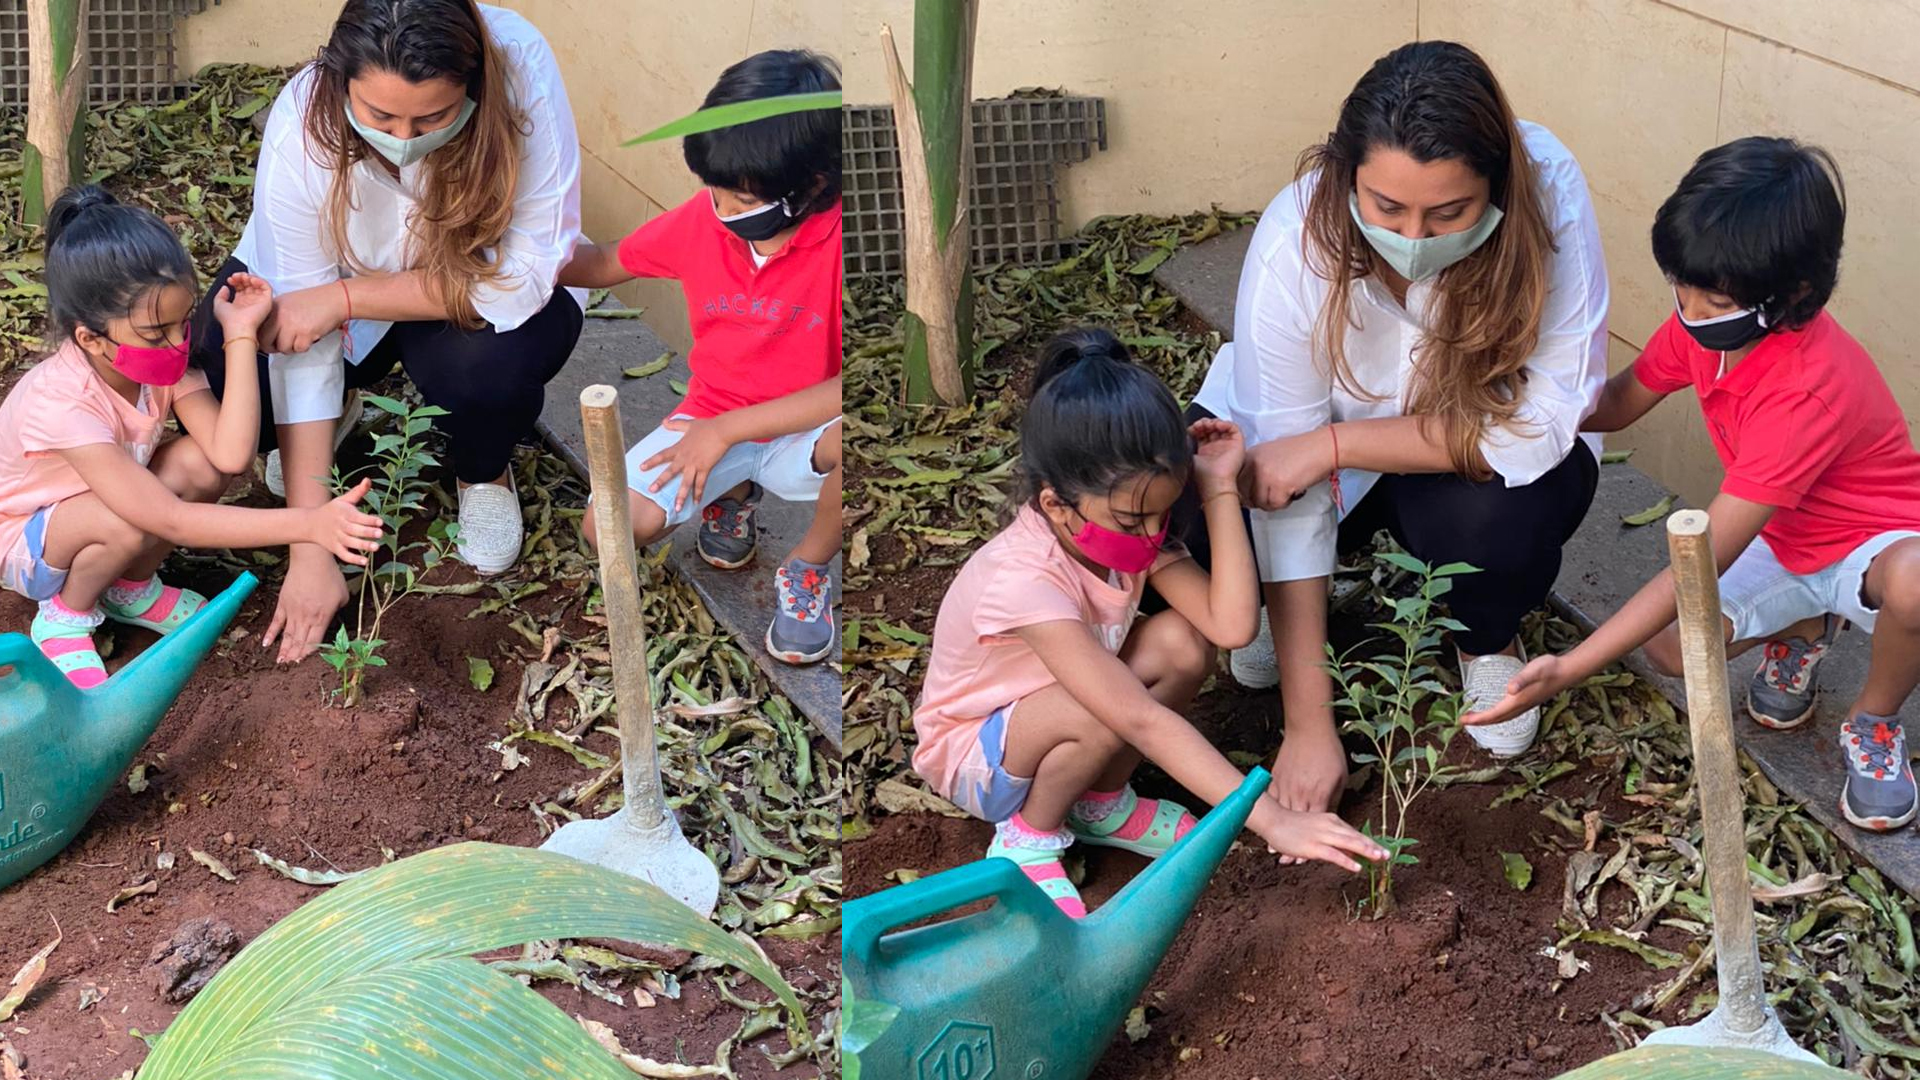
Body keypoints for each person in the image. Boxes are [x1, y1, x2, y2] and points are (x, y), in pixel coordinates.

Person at [1182, 40, 1609, 817]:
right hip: (1312, 459)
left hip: (1450, 465)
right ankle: (1292, 618)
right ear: (1346, 176)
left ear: (1498, 183)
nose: (1414, 236)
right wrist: (1309, 726)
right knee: (1205, 492)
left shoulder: (1551, 196)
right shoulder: (1293, 245)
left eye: (1449, 213)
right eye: (1386, 207)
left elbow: (1542, 425)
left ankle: (1485, 636)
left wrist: (1337, 446)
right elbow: (1285, 475)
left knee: (1512, 506)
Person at [1464, 138, 1920, 831]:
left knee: (1916, 586)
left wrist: (1569, 668)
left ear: (1793, 293)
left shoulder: (1806, 392)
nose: (1688, 309)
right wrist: (1518, 388)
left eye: (1711, 298)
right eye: (1681, 286)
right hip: (1785, 532)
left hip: (1876, 542)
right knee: (1672, 649)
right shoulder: (1705, 332)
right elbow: (1615, 404)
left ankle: (1875, 718)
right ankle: (1804, 625)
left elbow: (1701, 556)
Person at [912, 329, 1386, 918]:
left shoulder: (1125, 532)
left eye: (1165, 512)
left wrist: (1216, 489)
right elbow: (1135, 715)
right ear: (1056, 503)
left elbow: (1231, 627)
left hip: (1059, 712)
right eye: (1135, 519)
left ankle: (1099, 802)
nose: (1153, 535)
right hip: (977, 756)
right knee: (1104, 706)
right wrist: (1270, 818)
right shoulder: (1022, 576)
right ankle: (1026, 841)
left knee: (1183, 644)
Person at [190, 0, 587, 664]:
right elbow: (298, 329)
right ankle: (337, 416)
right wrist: (311, 543)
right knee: (231, 356)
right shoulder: (303, 126)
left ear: (474, 86)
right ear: (339, 80)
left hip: (468, 287)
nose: (404, 136)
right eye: (379, 116)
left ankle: (482, 472)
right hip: (338, 282)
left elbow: (519, 280)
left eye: (432, 117)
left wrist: (343, 297)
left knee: (485, 366)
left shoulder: (520, 73)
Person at [0, 187, 383, 687]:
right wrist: (308, 524)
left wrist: (240, 332)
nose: (179, 344)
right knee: (129, 517)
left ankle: (128, 586)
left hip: (104, 505)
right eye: (157, 334)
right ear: (89, 338)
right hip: (26, 542)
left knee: (200, 464)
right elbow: (170, 519)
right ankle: (65, 617)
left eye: (184, 323)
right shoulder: (62, 401)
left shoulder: (162, 364)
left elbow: (230, 453)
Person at [559, 50, 841, 665]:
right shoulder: (703, 223)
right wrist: (522, 263)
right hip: (715, 415)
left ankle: (808, 564)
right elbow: (604, 263)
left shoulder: (853, 243)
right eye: (714, 193)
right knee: (609, 525)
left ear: (812, 186)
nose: (722, 212)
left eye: (740, 200)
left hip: (809, 428)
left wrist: (724, 433)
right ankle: (733, 496)